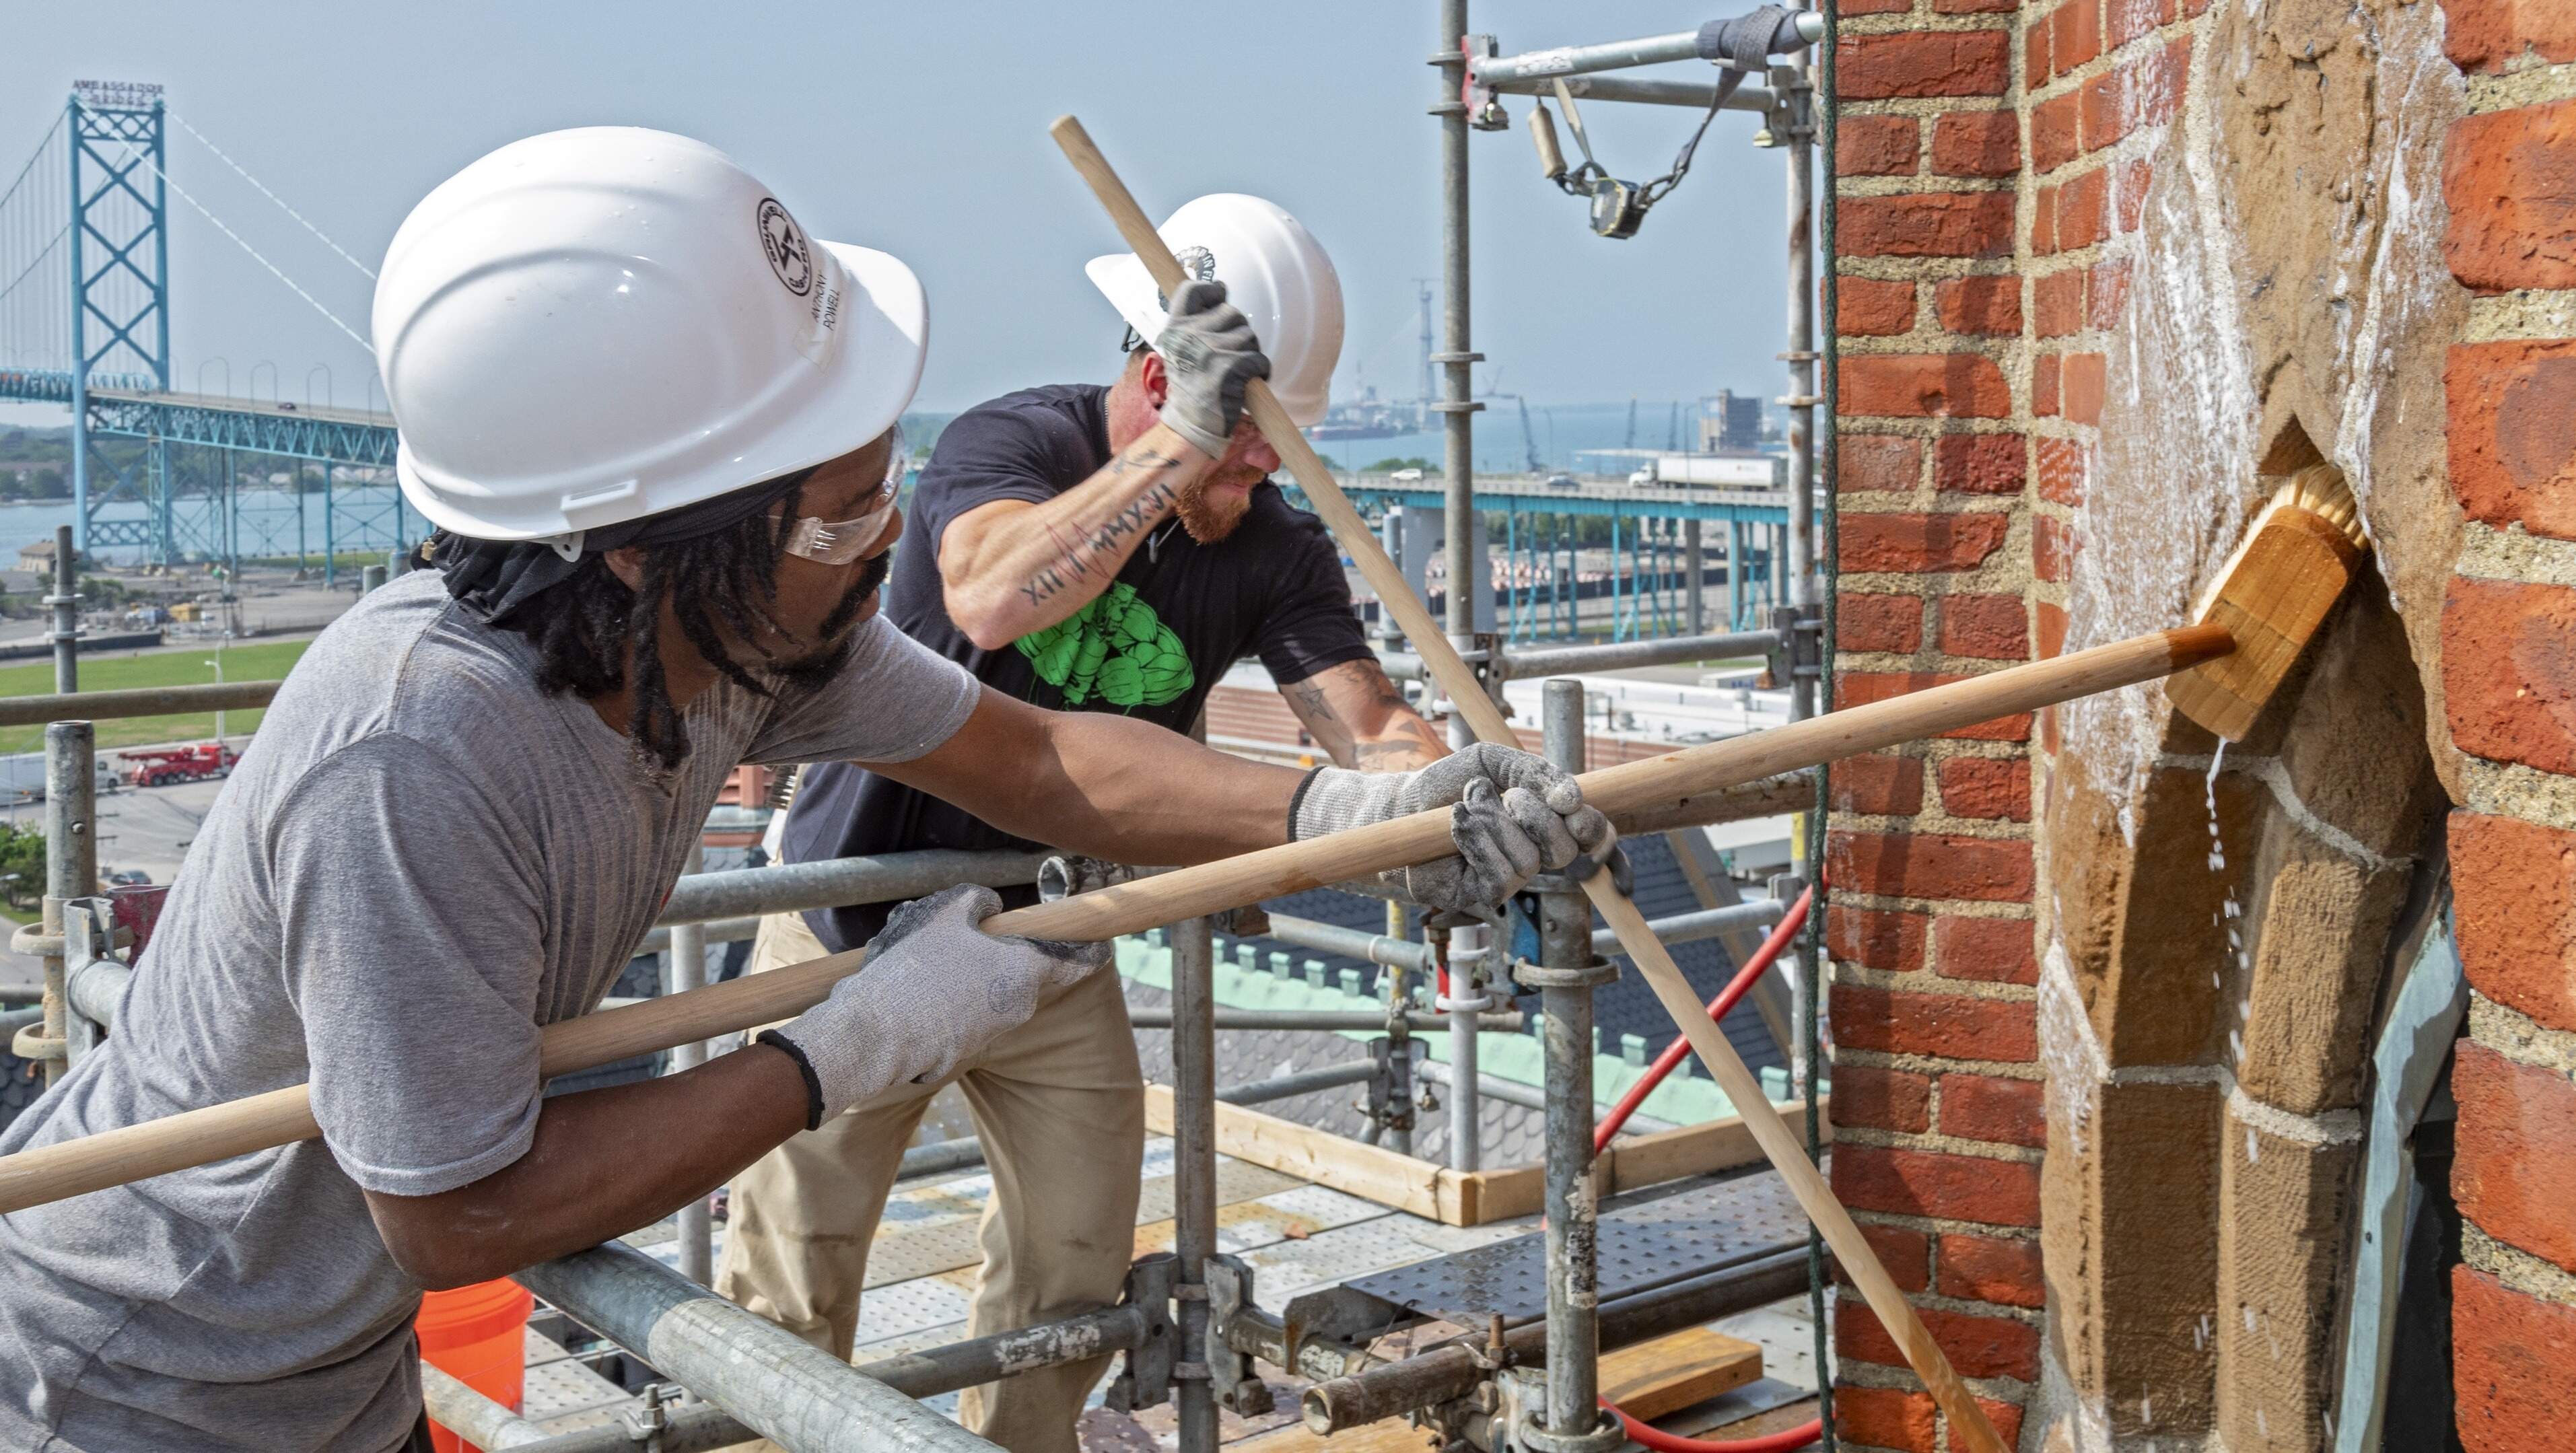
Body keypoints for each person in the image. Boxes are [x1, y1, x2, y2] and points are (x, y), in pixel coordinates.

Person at [0, 131, 1611, 1453]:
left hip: (334, 1375)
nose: (887, 537)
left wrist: (1355, 818)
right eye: (849, 513)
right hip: (137, 1384)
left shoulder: (746, 645)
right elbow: (461, 1215)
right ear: (647, 551)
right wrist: (849, 1043)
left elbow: (1038, 757)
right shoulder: (417, 756)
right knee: (794, 1281)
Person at [715, 195, 1460, 1452]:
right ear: (1168, 385)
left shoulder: (1272, 549)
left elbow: (1366, 721)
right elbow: (991, 595)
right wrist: (1181, 449)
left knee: (1076, 1255)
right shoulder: (1012, 442)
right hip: (851, 922)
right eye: (1251, 440)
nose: (1267, 470)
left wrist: (1449, 798)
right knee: (795, 1272)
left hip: (1051, 937)